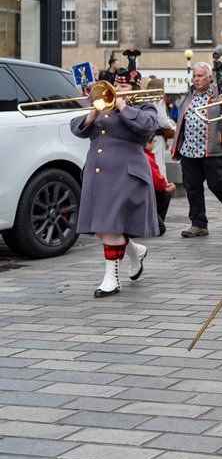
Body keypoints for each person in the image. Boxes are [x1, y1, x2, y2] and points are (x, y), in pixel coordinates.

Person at [71, 67, 160, 297]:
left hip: (125, 175)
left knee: (109, 227)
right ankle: (135, 252)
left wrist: (123, 106)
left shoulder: (143, 107)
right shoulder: (102, 106)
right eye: (117, 86)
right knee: (103, 229)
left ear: (135, 88)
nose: (118, 89)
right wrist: (91, 115)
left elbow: (148, 128)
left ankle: (111, 278)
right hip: (97, 174)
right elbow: (77, 129)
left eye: (124, 86)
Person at [171, 63, 222, 237]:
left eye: (201, 76)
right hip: (189, 150)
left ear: (210, 77)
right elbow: (180, 119)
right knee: (192, 187)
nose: (196, 79)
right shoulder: (188, 96)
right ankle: (198, 224)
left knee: (216, 184)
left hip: (212, 149)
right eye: (195, 76)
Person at [145, 77, 175, 177]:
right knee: (158, 164)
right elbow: (162, 121)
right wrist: (173, 125)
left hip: (148, 136)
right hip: (157, 137)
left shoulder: (145, 100)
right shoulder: (159, 101)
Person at [145, 137, 176, 236]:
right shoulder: (146, 157)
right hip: (141, 197)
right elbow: (158, 182)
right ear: (147, 144)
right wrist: (165, 186)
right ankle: (152, 225)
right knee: (165, 195)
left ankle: (152, 222)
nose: (154, 143)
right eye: (153, 141)